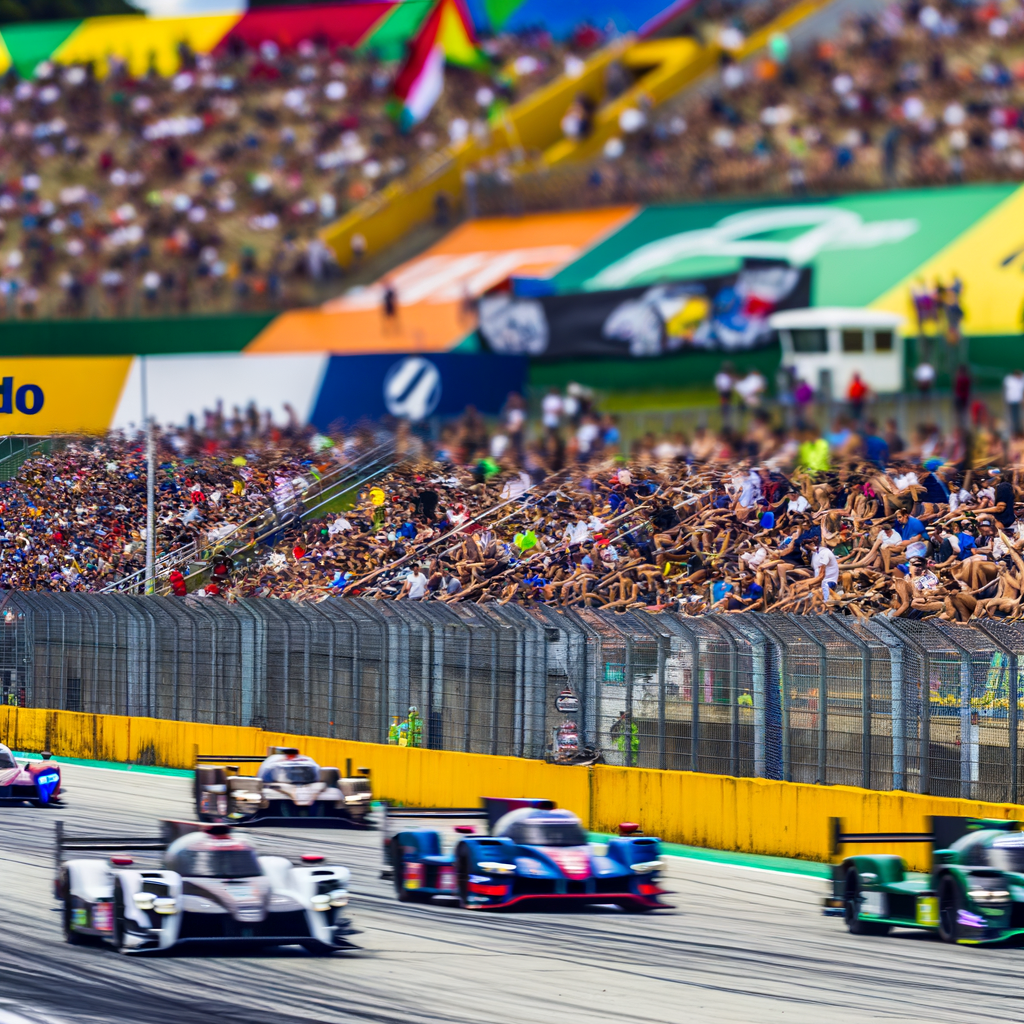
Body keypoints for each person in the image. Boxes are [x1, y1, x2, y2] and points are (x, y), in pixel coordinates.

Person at [1005, 369, 1024, 436]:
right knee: (1013, 417)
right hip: (1011, 401)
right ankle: (1014, 431)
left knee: (1019, 416)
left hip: (1018, 401)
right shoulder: (1009, 380)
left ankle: (1018, 431)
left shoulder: (1021, 380)